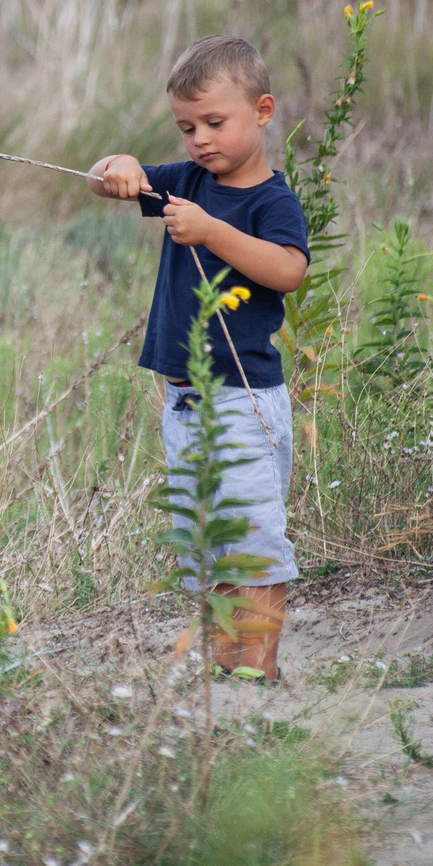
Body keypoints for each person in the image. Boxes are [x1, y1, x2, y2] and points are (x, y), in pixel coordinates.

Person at [88, 35, 311, 682]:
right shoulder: (186, 180)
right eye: (187, 127)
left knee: (254, 537)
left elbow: (289, 270)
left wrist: (212, 231)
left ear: (262, 110)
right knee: (208, 540)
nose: (200, 140)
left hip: (242, 400)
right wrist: (121, 163)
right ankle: (223, 663)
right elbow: (108, 179)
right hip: (184, 404)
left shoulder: (271, 200)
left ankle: (258, 665)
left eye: (215, 122)